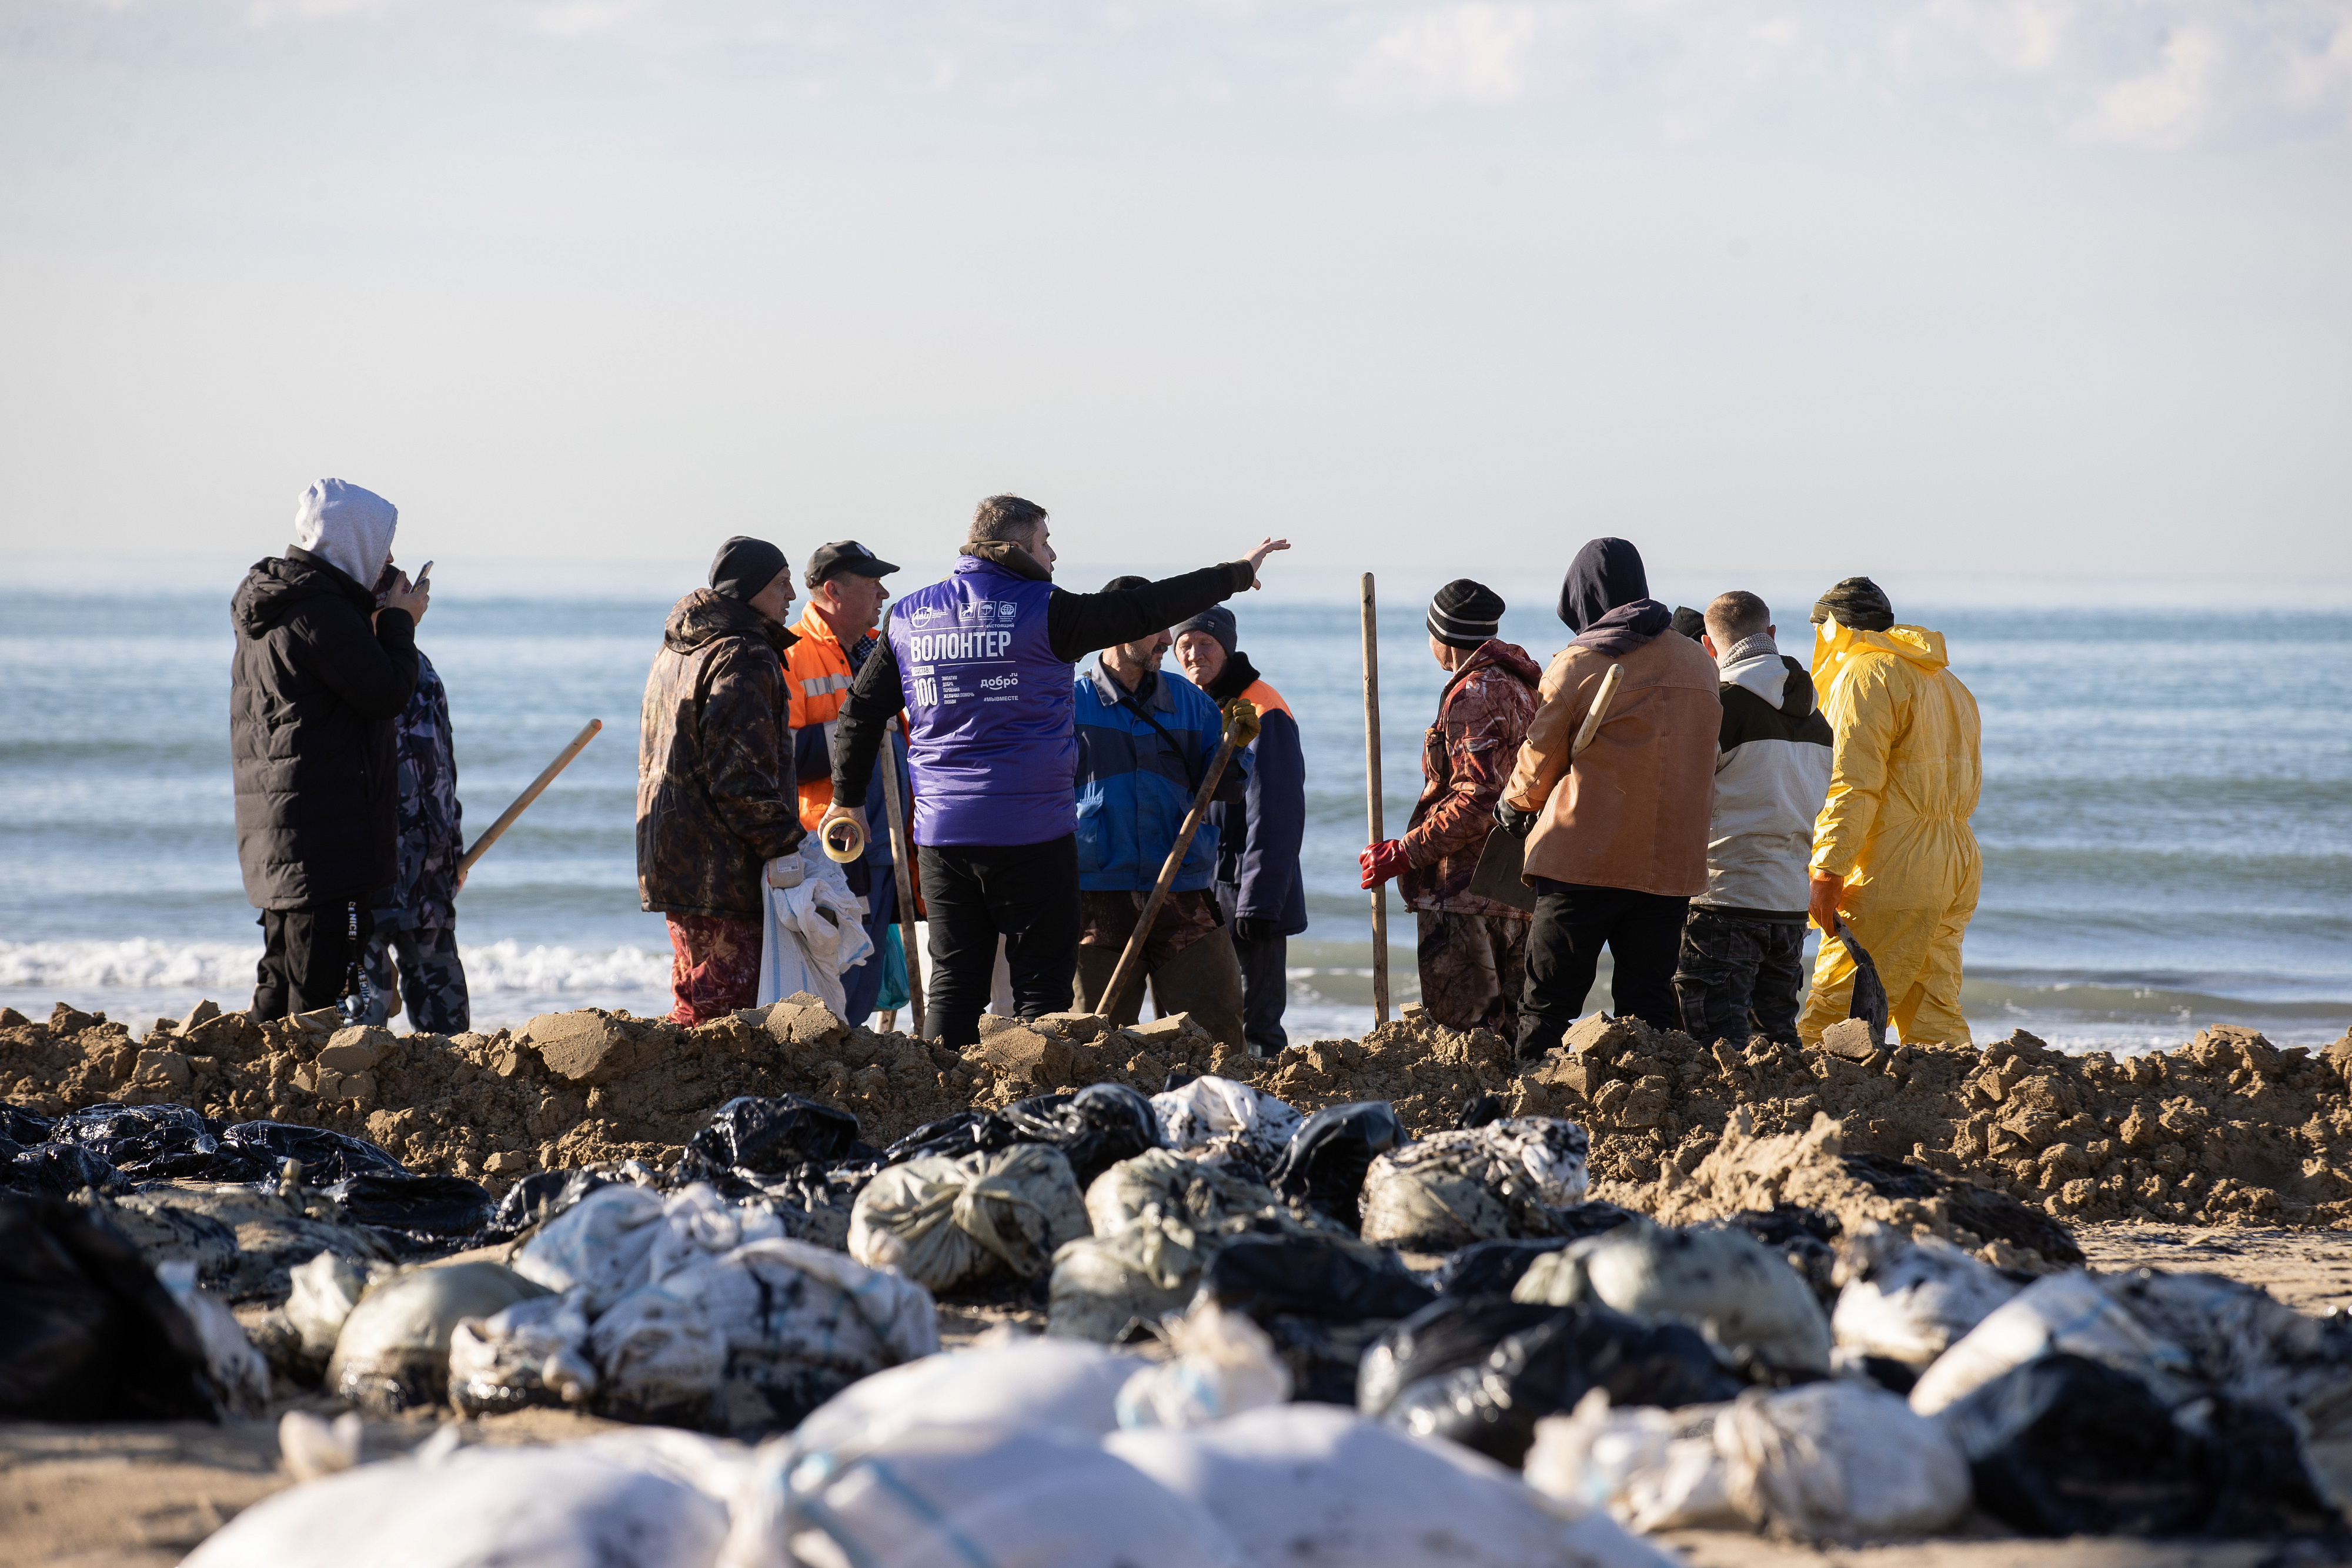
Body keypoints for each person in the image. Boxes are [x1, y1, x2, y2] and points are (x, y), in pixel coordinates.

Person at [824, 495, 1288, 1047]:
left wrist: (846, 798)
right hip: (1032, 832)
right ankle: (1038, 1109)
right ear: (1017, 548)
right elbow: (1145, 607)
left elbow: (859, 709)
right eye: (1046, 543)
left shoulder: (909, 615)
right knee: (1042, 989)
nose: (1053, 555)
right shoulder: (1046, 610)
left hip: (944, 834)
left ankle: (944, 1109)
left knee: (954, 982)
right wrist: (1236, 573)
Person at [1499, 537, 1720, 1054]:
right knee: (1648, 1006)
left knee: (1548, 1003)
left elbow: (1539, 758)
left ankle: (1533, 1100)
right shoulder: (1699, 664)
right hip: (1670, 867)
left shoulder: (1581, 662)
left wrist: (1513, 804)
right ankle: (1650, 1108)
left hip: (1583, 863)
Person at [232, 478, 426, 1021]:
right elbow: (386, 691)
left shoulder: (277, 605)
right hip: (327, 847)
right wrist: (397, 621)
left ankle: (262, 1097)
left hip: (282, 837)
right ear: (354, 543)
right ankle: (297, 1104)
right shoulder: (321, 612)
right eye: (382, 546)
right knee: (320, 994)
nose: (388, 559)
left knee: (279, 981)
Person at [1799, 576, 1983, 1047]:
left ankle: (1807, 1116)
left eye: (1818, 631)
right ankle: (1955, 1109)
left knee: (1835, 1010)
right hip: (1956, 861)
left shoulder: (1865, 675)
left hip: (1892, 866)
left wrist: (1827, 867)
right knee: (1934, 1013)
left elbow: (1851, 784)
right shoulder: (1946, 681)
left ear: (1835, 627)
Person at [1067, 585, 1251, 1047]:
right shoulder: (1069, 706)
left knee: (1219, 1032)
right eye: (1157, 626)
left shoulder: (1193, 705)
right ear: (1118, 627)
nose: (1168, 639)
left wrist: (1235, 749)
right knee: (1091, 1043)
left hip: (1182, 892)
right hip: (1096, 900)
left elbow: (1228, 785)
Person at [1358, 580, 1541, 1038]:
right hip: (1515, 891)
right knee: (1513, 1034)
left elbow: (1477, 798)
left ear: (1445, 637)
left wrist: (1406, 851)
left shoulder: (1473, 694)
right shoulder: (1523, 688)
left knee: (1468, 1038)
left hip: (1464, 896)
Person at [637, 536, 807, 1026]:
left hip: (675, 858)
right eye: (781, 582)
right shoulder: (744, 655)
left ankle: (681, 1099)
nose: (791, 594)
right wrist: (785, 845)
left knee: (695, 1001)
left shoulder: (677, 650)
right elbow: (740, 777)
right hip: (722, 871)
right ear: (750, 589)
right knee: (728, 1015)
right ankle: (719, 1104)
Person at [1670, 590, 1832, 1046]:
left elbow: (1683, 799)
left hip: (1726, 898)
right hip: (1789, 903)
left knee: (1715, 1041)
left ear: (1707, 646)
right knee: (1776, 1038)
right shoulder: (1818, 719)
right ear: (1773, 635)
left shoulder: (1717, 708)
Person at [785, 540, 911, 1025]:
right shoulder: (794, 655)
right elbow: (784, 755)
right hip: (834, 848)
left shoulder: (876, 653)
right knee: (837, 977)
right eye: (871, 582)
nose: (883, 593)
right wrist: (851, 732)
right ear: (833, 590)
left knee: (868, 968)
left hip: (884, 846)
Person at [1175, 604, 1305, 1057]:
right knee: (1213, 1015)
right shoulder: (1197, 704)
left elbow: (1278, 813)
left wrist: (1260, 900)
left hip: (1250, 894)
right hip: (1205, 887)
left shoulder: (1260, 707)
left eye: (1205, 643)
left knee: (1259, 1023)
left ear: (1227, 648)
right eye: (1184, 645)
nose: (1194, 654)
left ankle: (1272, 1108)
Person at [355, 557, 471, 1033]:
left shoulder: (422, 671)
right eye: (411, 591)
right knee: (363, 1019)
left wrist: (453, 848)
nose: (421, 598)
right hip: (367, 878)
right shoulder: (354, 668)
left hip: (428, 876)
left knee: (448, 1022)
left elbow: (441, 765)